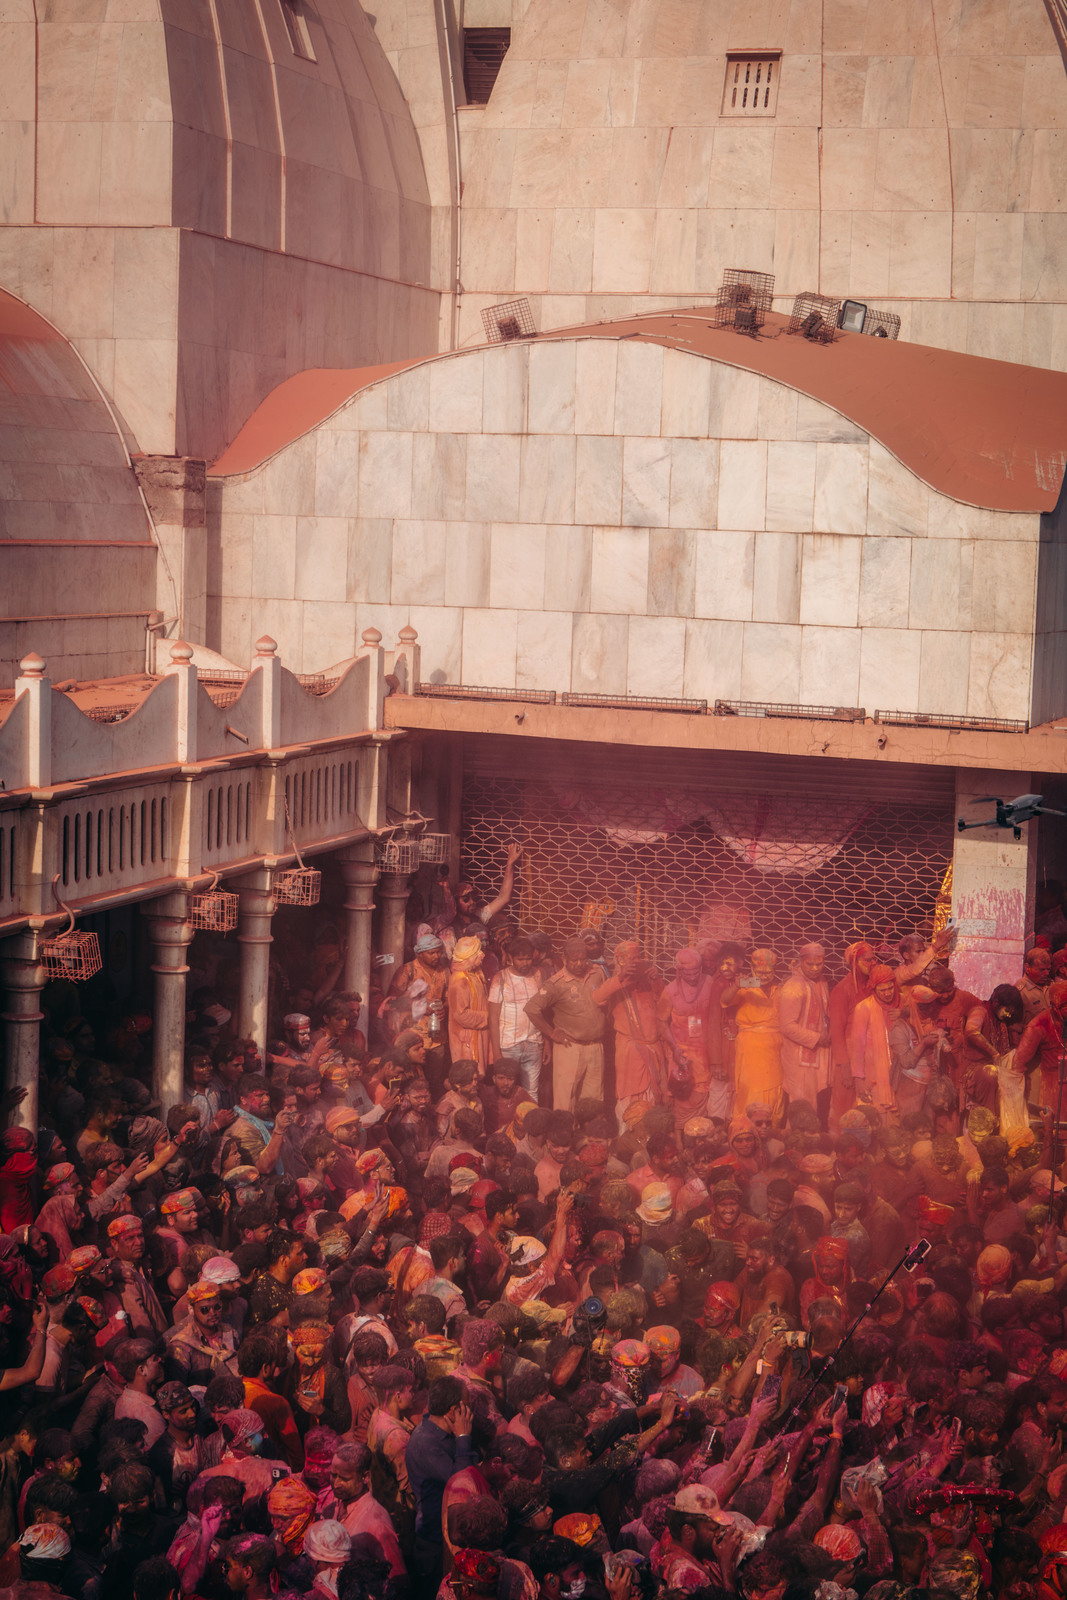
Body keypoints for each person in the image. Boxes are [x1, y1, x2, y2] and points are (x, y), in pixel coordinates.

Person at [525, 939, 606, 1113]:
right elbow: (532, 1009)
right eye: (573, 960)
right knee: (565, 1101)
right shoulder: (556, 984)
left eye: (582, 959)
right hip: (570, 1048)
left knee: (593, 1101)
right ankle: (563, 1139)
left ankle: (587, 1138)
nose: (579, 964)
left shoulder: (597, 974)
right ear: (563, 959)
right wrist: (552, 1034)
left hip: (595, 1047)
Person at [723, 949, 783, 1117]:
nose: (763, 977)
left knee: (775, 1092)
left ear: (775, 970)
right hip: (751, 1049)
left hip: (775, 1051)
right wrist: (736, 985)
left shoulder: (780, 989)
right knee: (751, 1091)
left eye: (768, 972)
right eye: (759, 972)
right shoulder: (745, 987)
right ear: (751, 968)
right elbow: (725, 1000)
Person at [777, 942, 832, 1124]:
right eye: (810, 964)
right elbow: (786, 1026)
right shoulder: (794, 986)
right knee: (801, 1105)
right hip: (798, 1056)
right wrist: (817, 1037)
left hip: (816, 1054)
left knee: (814, 1104)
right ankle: (797, 1145)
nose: (815, 969)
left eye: (819, 964)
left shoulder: (821, 981)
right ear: (800, 962)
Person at [488, 938, 544, 1102]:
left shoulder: (537, 975)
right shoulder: (501, 978)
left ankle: (529, 1126)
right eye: (520, 959)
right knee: (506, 1091)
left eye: (528, 958)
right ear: (510, 958)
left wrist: (546, 1043)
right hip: (509, 1046)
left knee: (532, 1091)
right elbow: (493, 1017)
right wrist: (496, 1052)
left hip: (534, 1043)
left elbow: (543, 1010)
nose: (525, 963)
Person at [448, 938, 491, 1076]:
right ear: (469, 956)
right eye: (478, 952)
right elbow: (461, 1015)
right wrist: (490, 1017)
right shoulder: (460, 980)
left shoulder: (475, 975)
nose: (482, 955)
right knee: (468, 1077)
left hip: (479, 1034)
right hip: (466, 1039)